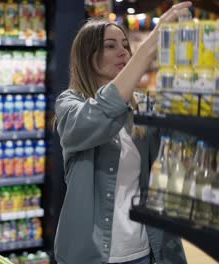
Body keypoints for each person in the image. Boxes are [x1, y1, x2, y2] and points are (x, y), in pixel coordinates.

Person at [53, 2, 192, 264]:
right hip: (91, 256)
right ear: (87, 54)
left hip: (145, 251)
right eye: (110, 45)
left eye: (125, 45)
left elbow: (181, 148)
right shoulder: (70, 105)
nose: (123, 52)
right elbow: (96, 118)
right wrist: (150, 45)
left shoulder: (145, 105)